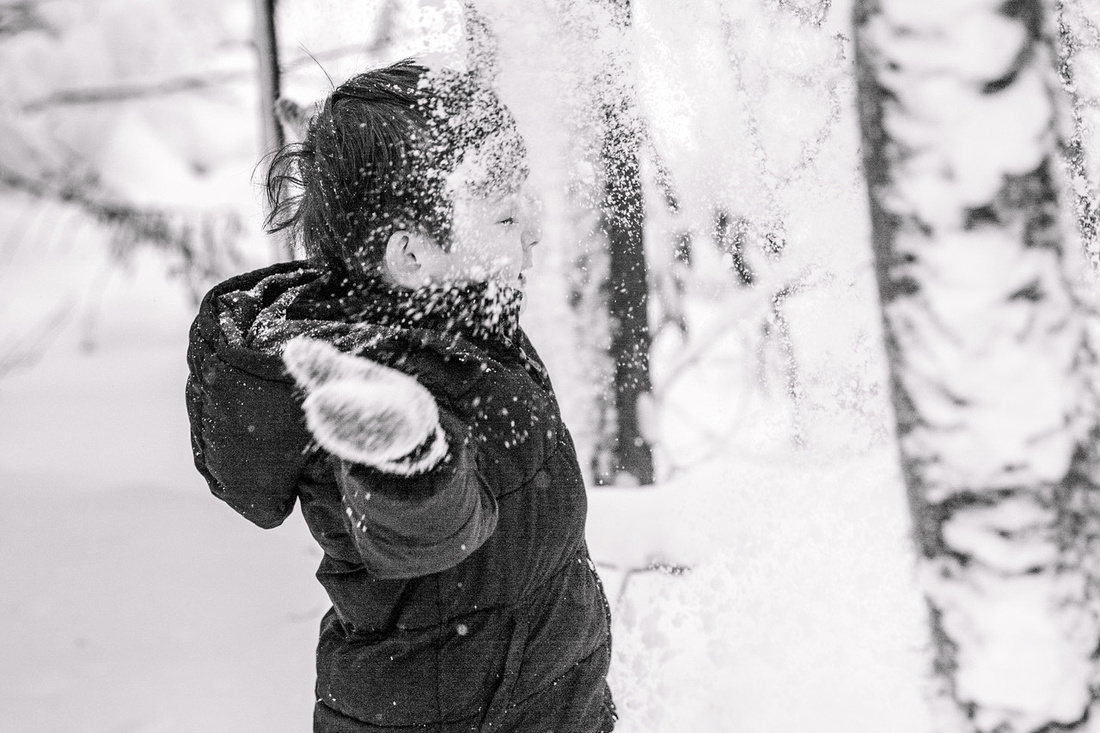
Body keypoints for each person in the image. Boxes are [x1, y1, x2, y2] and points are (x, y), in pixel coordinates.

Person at [185, 59, 616, 733]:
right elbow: (428, 532)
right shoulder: (378, 387)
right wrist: (406, 456)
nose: (534, 226)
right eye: (505, 214)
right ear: (412, 257)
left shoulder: (462, 323)